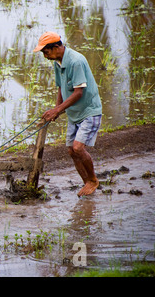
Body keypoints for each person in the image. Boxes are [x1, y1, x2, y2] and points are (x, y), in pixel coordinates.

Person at [33, 31, 102, 197]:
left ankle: (93, 180)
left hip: (88, 111)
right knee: (71, 150)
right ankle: (87, 183)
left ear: (56, 47)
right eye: (43, 52)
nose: (45, 55)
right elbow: (61, 87)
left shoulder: (76, 61)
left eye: (46, 51)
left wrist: (57, 110)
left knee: (78, 148)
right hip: (74, 113)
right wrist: (57, 110)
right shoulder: (58, 62)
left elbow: (78, 92)